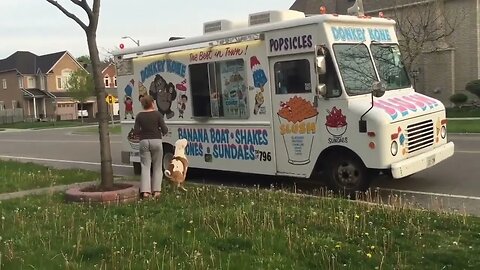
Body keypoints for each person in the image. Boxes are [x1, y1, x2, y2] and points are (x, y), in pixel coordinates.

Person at [133, 95, 168, 199]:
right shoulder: (157, 114)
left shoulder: (139, 116)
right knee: (157, 166)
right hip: (156, 141)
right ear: (152, 103)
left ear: (143, 104)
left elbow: (136, 131)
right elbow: (164, 129)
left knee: (145, 166)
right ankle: (156, 191)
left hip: (144, 142)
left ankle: (145, 192)